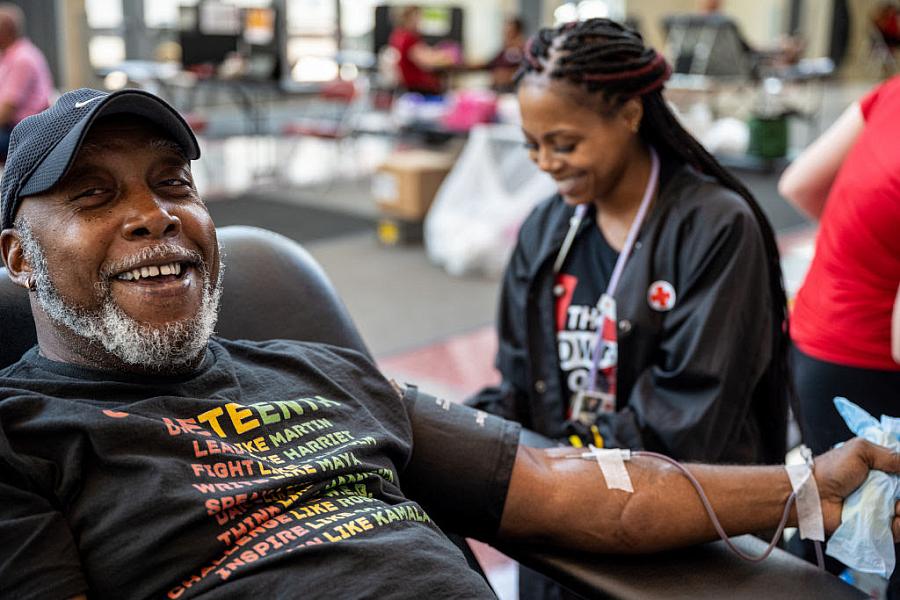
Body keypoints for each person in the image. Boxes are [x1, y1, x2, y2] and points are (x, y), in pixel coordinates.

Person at [0, 88, 897, 599]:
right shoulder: (22, 438)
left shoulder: (317, 372)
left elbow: (561, 484)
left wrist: (810, 488)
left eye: (172, 184)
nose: (153, 215)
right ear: (17, 257)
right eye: (93, 197)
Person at [466, 18, 792, 597]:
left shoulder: (714, 228)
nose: (544, 162)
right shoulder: (546, 230)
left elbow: (688, 422)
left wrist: (549, 473)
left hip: (678, 537)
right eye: (531, 145)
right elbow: (519, 384)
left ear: (630, 115)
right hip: (562, 529)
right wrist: (454, 438)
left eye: (563, 143)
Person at [777, 75, 900, 590]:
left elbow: (799, 185)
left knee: (821, 516)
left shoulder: (892, 91)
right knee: (862, 523)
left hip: (812, 330)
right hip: (864, 358)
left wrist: (870, 244)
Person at [0, 3, 52, 160]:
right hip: (13, 127)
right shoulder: (10, 56)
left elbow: (7, 110)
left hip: (24, 132)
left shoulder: (22, 59)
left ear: (5, 31)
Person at [388, 5, 457, 96]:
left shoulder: (398, 35)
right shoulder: (407, 38)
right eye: (418, 17)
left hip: (411, 86)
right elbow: (427, 62)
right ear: (409, 18)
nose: (420, 21)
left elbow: (424, 53)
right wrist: (446, 56)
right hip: (419, 88)